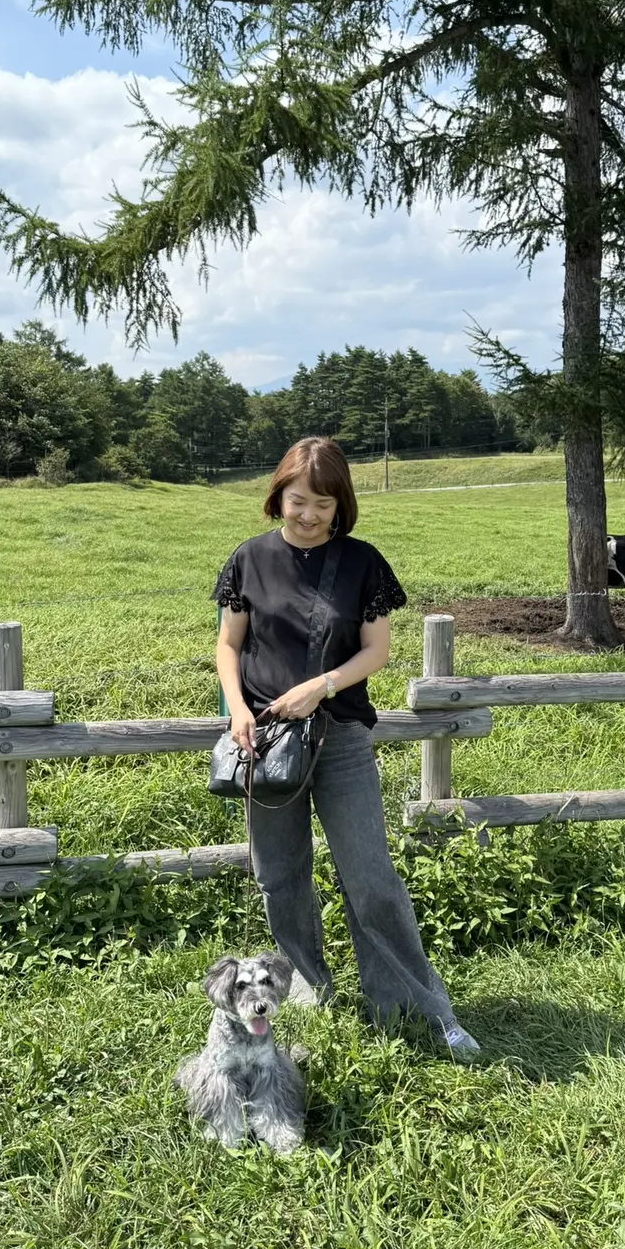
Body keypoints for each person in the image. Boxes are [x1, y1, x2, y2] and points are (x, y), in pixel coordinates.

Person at [213, 436, 481, 1060]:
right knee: (280, 877)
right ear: (277, 495)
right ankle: (309, 987)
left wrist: (321, 686)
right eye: (297, 500)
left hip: (341, 740)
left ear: (341, 506)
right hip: (266, 743)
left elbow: (376, 653)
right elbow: (229, 647)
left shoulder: (363, 563)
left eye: (323, 504)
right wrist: (235, 711)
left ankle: (414, 1004)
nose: (307, 515)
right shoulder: (247, 561)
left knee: (371, 879)